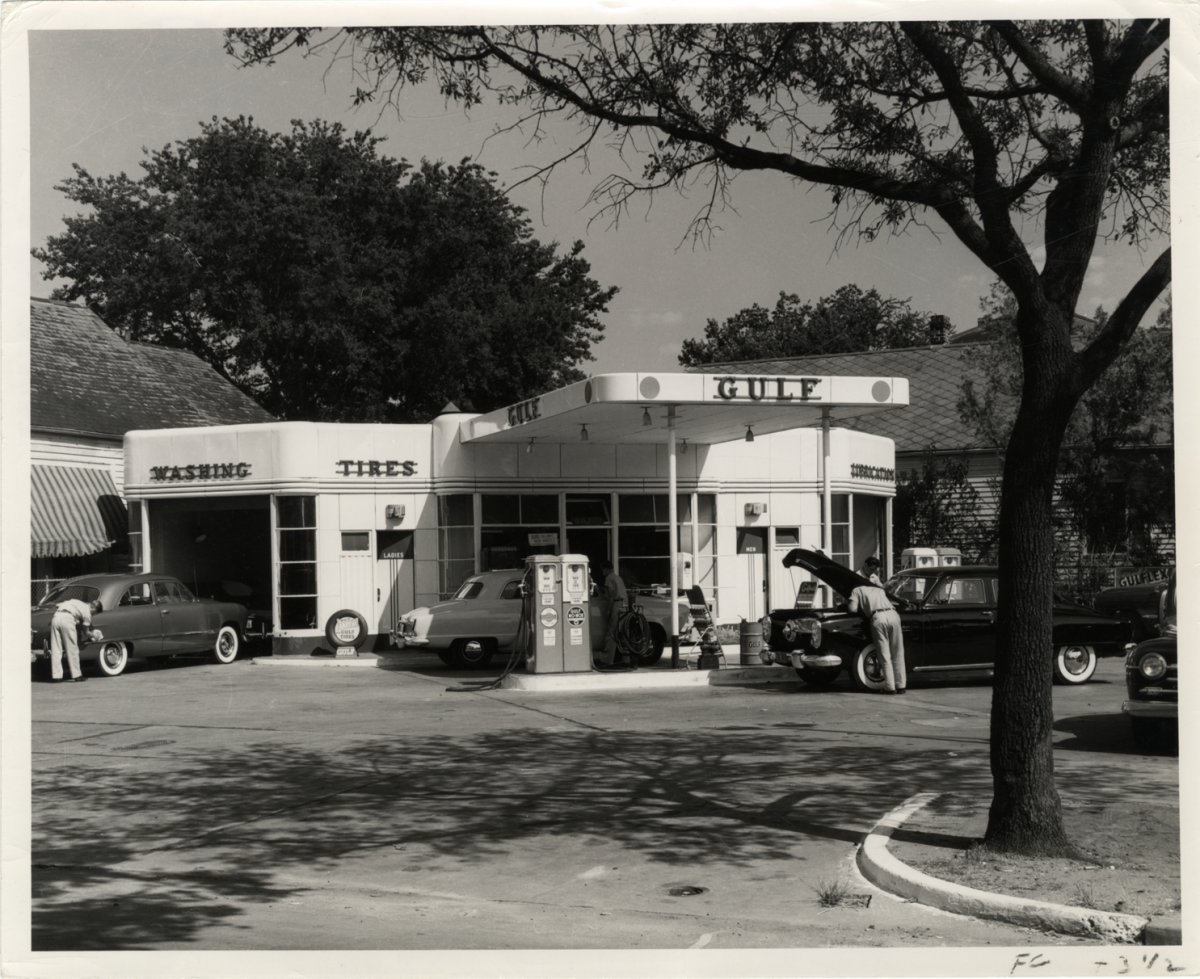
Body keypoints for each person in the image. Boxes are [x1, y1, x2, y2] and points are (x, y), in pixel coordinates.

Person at [846, 580, 905, 694]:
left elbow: (852, 609)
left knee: (884, 654)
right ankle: (901, 685)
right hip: (894, 614)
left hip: (879, 617)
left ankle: (890, 687)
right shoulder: (879, 590)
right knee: (898, 652)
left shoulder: (856, 590)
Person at [49, 597, 103, 683]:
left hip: (56, 617)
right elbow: (86, 632)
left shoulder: (77, 602)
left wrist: (76, 618)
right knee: (72, 649)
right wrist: (94, 635)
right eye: (95, 613)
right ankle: (77, 675)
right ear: (94, 608)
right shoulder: (87, 612)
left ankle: (56, 676)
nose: (93, 614)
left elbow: (57, 605)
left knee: (56, 649)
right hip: (67, 620)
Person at [597, 561, 628, 667]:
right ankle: (626, 659)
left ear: (606, 569)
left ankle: (607, 659)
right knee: (622, 632)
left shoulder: (609, 578)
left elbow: (610, 595)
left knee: (612, 633)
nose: (602, 572)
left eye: (603, 570)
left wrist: (609, 610)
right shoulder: (618, 578)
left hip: (616, 604)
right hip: (624, 605)